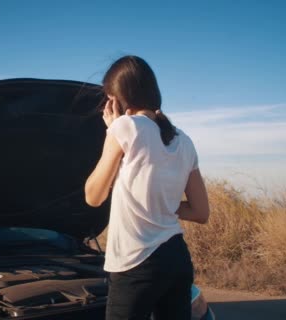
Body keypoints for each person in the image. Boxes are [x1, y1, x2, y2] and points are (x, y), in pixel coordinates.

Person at [85, 55, 210, 320]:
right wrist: (161, 202)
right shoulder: (184, 140)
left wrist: (112, 130)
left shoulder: (125, 128)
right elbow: (200, 212)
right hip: (176, 258)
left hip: (135, 263)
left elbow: (93, 196)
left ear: (115, 100)